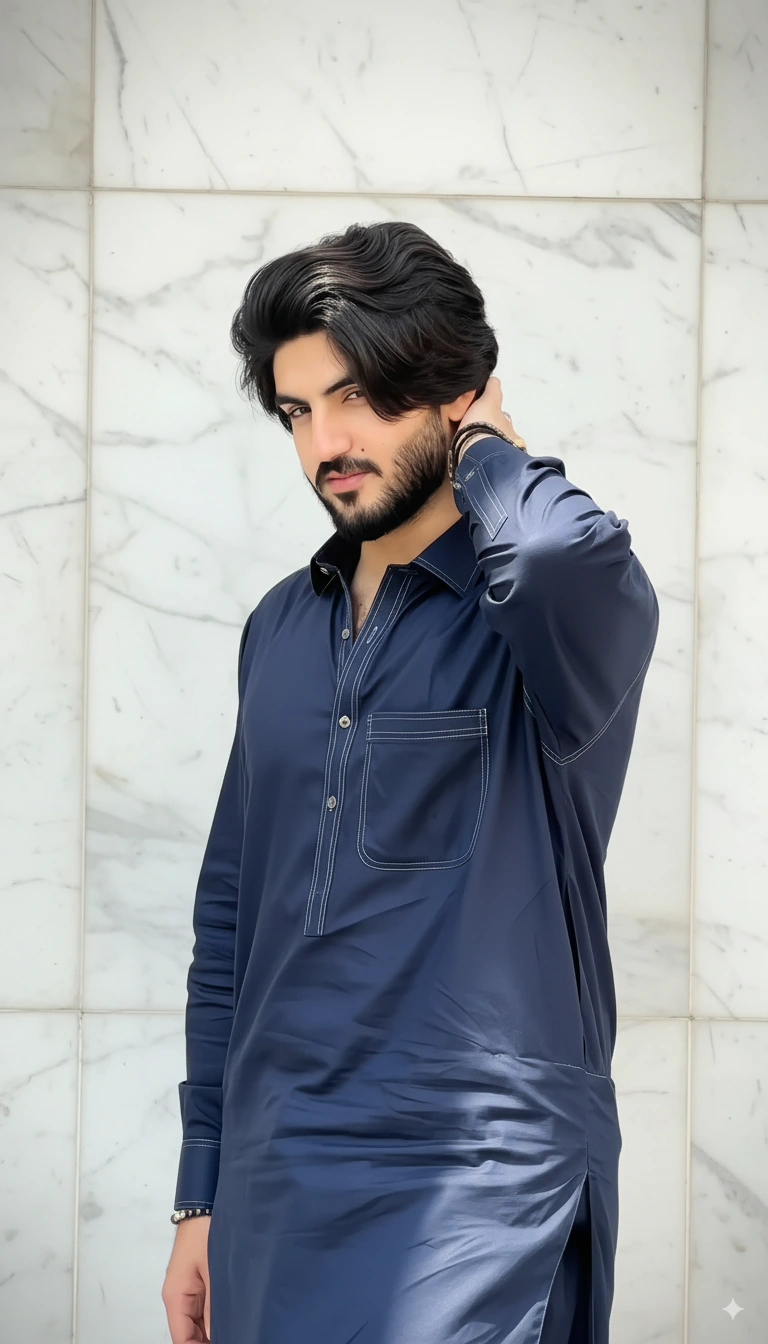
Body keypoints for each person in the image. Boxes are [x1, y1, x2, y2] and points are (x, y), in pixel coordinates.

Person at [161, 220, 659, 1344]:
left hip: (486, 1189)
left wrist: (485, 448)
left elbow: (550, 552)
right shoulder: (281, 626)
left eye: (358, 398)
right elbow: (232, 918)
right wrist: (201, 1190)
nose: (324, 443)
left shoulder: (553, 614)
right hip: (278, 1184)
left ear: (452, 390)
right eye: (297, 411)